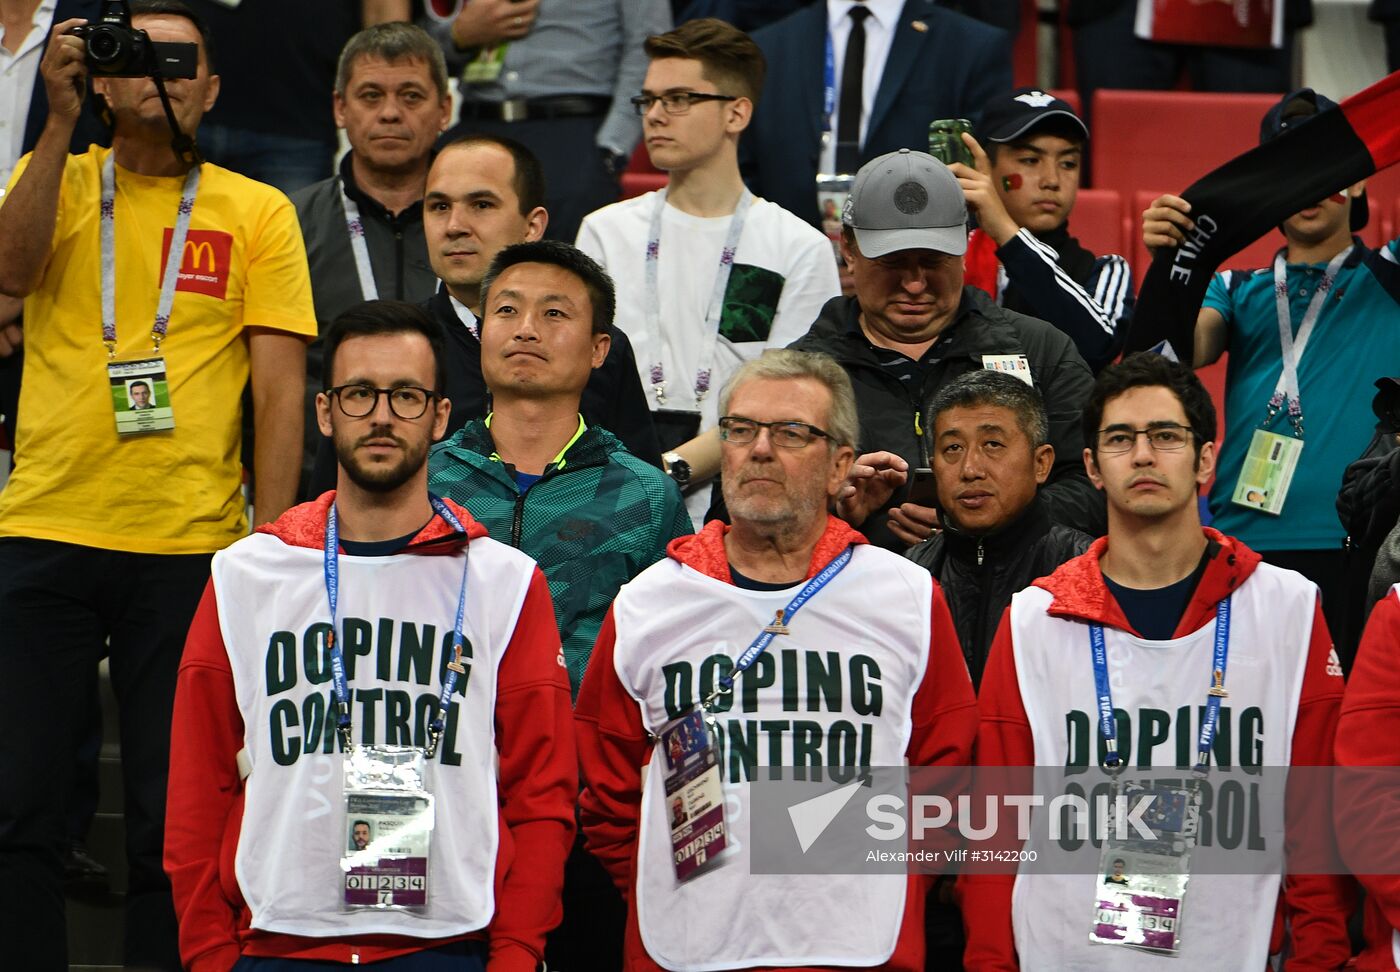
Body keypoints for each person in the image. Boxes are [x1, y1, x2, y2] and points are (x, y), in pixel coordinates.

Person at [0, 3, 316, 967]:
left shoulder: (257, 209)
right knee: (18, 807)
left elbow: (277, 398)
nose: (160, 76)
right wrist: (56, 123)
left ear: (213, 90)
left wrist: (269, 550)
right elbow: (9, 273)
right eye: (137, 57)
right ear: (100, 76)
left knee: (165, 818)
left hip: (191, 546)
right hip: (46, 526)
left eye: (183, 62)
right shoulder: (53, 175)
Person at [165, 300, 576, 971]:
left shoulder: (506, 582)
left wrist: (516, 953)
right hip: (277, 942)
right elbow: (196, 784)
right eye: (359, 394)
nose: (382, 415)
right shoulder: (248, 573)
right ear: (325, 412)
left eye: (406, 396)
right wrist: (211, 954)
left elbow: (543, 794)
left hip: (452, 942)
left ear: (440, 417)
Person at [575, 347, 978, 970]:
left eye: (791, 433)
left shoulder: (904, 597)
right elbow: (607, 799)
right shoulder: (648, 603)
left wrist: (888, 889)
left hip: (859, 948)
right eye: (740, 430)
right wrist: (669, 883)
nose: (759, 450)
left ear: (840, 462)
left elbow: (945, 777)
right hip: (688, 946)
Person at [960, 352, 1352, 970]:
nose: (1143, 455)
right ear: (1091, 466)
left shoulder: (1290, 607)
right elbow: (995, 827)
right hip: (1059, 953)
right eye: (1121, 439)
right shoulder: (1033, 617)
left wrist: (1319, 956)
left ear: (1204, 459)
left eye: (1165, 436)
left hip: (1234, 951)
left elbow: (1316, 820)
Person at [429, 240, 688, 969]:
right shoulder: (425, 480)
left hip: (588, 807)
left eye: (554, 314)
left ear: (601, 348)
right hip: (444, 792)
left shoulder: (646, 496)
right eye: (505, 311)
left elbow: (678, 660)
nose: (526, 329)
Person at [1142, 87, 1400, 645]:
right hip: (1242, 540)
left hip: (1362, 538)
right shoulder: (1234, 287)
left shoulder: (1391, 274)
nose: (1309, 187)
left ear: (1358, 181)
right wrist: (1170, 259)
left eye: (1326, 168)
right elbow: (1184, 351)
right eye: (1293, 170)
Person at [576, 18, 840, 525]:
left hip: (744, 497)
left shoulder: (796, 246)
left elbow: (789, 399)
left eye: (677, 99)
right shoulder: (604, 232)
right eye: (648, 100)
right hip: (604, 492)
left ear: (736, 112)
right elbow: (582, 378)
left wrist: (667, 472)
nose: (655, 116)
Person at [306, 134, 661, 493]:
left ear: (532, 226)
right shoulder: (383, 348)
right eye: (439, 207)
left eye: (481, 205)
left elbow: (640, 494)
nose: (455, 225)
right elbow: (327, 507)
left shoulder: (595, 346)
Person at [792, 148, 1104, 551]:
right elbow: (738, 513)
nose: (915, 283)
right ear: (848, 250)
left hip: (1013, 600)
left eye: (933, 260)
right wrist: (829, 509)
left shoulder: (1041, 352)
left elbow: (1098, 487)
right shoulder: (798, 378)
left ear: (964, 246)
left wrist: (993, 515)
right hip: (853, 603)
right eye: (893, 262)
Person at [292, 21, 452, 495]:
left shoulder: (480, 223)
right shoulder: (289, 223)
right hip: (322, 485)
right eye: (370, 95)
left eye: (411, 96)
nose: (389, 113)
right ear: (340, 107)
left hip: (464, 489)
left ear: (444, 109)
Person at [741, 0, 1010, 228]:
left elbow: (981, 180)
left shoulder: (972, 46)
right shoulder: (767, 47)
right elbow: (745, 171)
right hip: (792, 267)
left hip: (917, 269)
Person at [425, 0, 672, 244]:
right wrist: (458, 36)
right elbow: (412, 50)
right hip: (477, 122)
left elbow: (648, 49)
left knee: (566, 274)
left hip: (573, 133)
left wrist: (612, 150)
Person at [905, 370, 1091, 687]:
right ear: (932, 465)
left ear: (1041, 463)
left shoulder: (1085, 570)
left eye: (993, 444)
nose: (970, 469)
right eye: (952, 448)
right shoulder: (908, 577)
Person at [953, 87, 1134, 372]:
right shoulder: (950, 259)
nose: (1051, 180)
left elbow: (1098, 346)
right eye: (1030, 160)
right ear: (984, 168)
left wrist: (1006, 233)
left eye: (1068, 164)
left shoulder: (1106, 271)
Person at [190, 0, 409, 194]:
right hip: (182, 106)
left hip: (300, 117)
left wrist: (387, 95)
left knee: (295, 234)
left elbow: (384, 12)